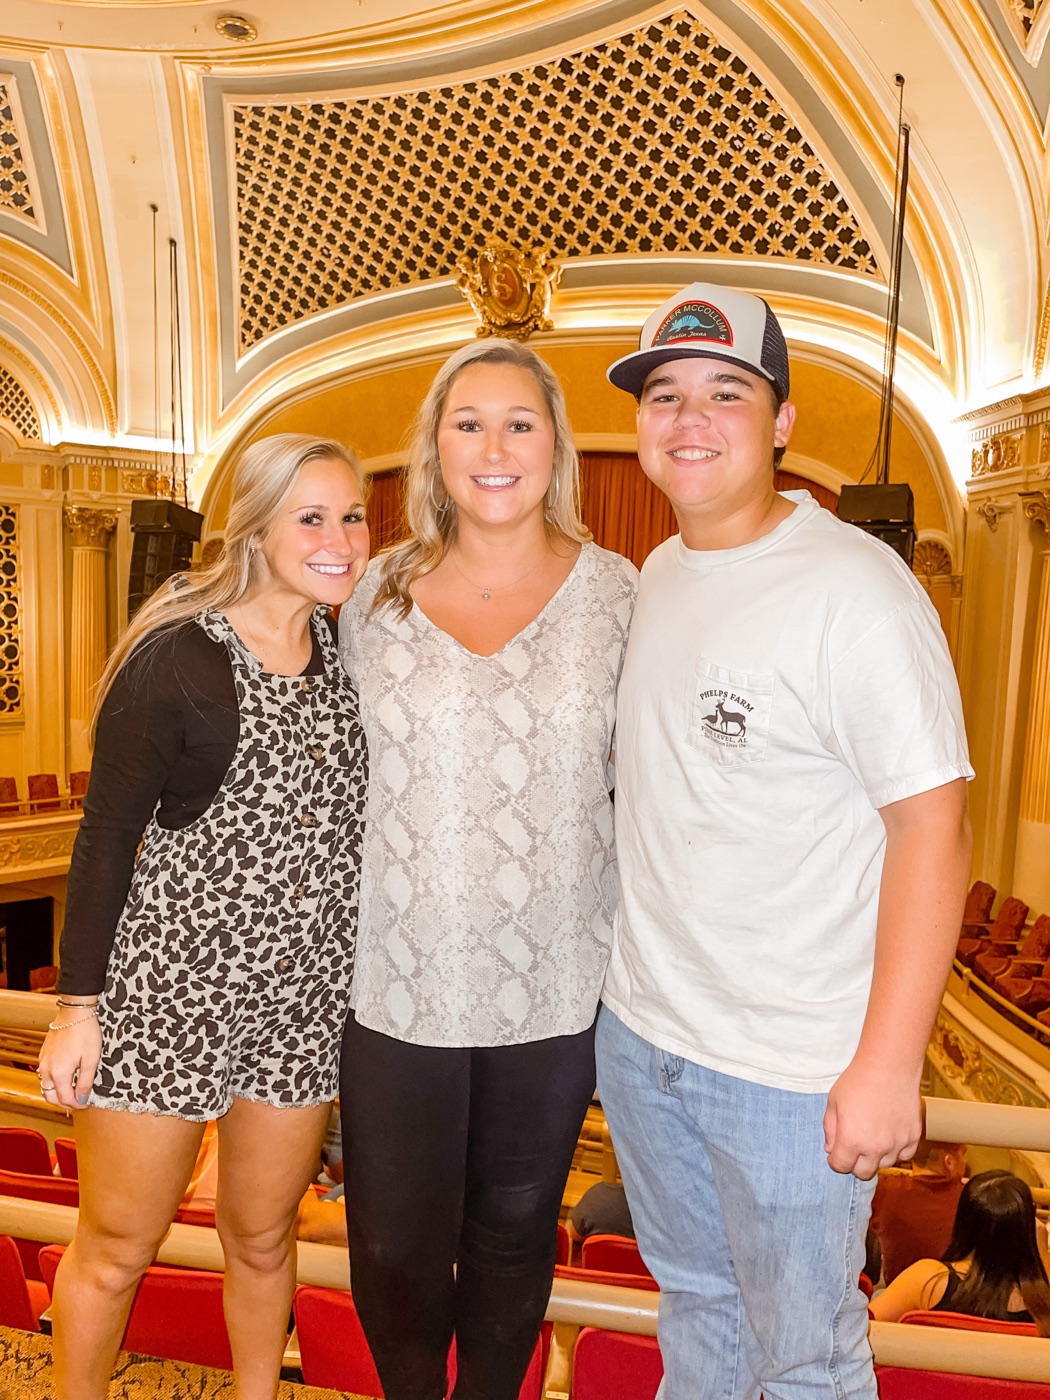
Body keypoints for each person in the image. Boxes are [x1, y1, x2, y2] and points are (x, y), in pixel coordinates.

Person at [594, 281, 974, 1400]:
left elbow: (934, 828)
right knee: (699, 1310)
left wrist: (889, 1060)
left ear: (783, 421)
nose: (690, 419)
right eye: (665, 394)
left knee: (809, 1362)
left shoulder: (859, 593)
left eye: (726, 391)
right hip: (648, 1041)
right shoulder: (660, 572)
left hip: (788, 1073)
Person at [37, 434, 370, 1400]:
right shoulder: (179, 658)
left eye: (351, 515)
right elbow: (103, 842)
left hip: (302, 1005)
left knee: (264, 1237)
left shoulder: (351, 650)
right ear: (257, 529)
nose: (341, 539)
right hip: (170, 996)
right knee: (117, 1246)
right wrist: (78, 1006)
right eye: (311, 517)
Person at [339, 337, 637, 1400]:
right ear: (434, 445)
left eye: (520, 420)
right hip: (394, 986)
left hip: (551, 989)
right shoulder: (371, 593)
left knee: (514, 1244)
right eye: (469, 421)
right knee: (392, 1252)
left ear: (556, 443)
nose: (495, 444)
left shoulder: (619, 592)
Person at [870, 1170, 1050, 1334]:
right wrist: (1039, 1252)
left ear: (963, 1221)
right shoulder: (1041, 1301)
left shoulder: (928, 1280)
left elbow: (863, 1327)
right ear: (1028, 1228)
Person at [870, 1137, 968, 1283]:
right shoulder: (969, 1198)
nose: (965, 1162)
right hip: (954, 1299)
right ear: (949, 1162)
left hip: (898, 1297)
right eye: (962, 1155)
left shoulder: (886, 1190)